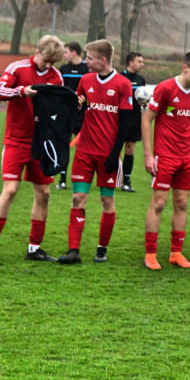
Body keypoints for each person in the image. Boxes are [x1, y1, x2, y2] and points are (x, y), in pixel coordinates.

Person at [0, 35, 66, 263]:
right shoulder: (17, 68)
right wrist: (21, 91)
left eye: (53, 62)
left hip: (41, 142)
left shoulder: (56, 76)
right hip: (16, 140)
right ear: (36, 51)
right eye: (46, 60)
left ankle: (34, 248)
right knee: (10, 191)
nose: (49, 66)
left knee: (44, 194)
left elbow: (58, 107)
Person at [58, 39, 133, 264]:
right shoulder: (85, 80)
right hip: (85, 152)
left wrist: (114, 153)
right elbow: (79, 109)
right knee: (78, 197)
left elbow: (127, 123)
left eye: (89, 58)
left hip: (108, 154)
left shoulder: (123, 84)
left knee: (106, 201)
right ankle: (73, 250)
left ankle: (102, 248)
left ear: (102, 59)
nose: (86, 62)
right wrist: (77, 105)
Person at [141, 51, 190, 270]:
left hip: (185, 156)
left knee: (182, 203)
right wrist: (149, 156)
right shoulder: (166, 88)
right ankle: (150, 255)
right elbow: (147, 120)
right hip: (164, 156)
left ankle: (175, 253)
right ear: (184, 67)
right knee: (159, 203)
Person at [56, 41, 89, 190]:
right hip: (66, 113)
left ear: (74, 52)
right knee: (64, 145)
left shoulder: (87, 69)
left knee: (82, 148)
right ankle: (62, 179)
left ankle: (81, 178)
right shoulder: (63, 69)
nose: (64, 55)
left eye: (66, 51)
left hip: (82, 114)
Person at [120, 51, 146, 192]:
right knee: (116, 148)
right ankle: (113, 178)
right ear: (131, 62)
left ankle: (127, 181)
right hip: (119, 119)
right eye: (139, 61)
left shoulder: (141, 80)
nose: (142, 64)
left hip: (134, 119)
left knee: (130, 149)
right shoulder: (119, 77)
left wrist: (143, 103)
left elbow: (142, 99)